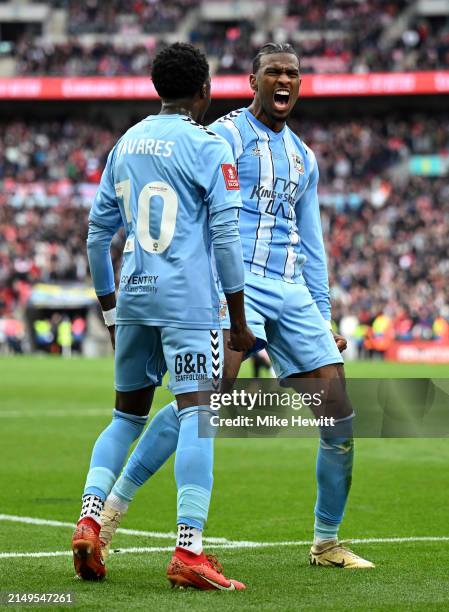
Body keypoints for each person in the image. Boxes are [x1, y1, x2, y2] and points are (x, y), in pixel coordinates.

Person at [100, 43, 374, 570]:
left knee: (339, 413)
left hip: (289, 288)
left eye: (292, 73)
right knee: (203, 403)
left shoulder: (304, 157)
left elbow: (311, 242)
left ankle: (327, 541)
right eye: (273, 72)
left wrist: (322, 316)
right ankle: (111, 512)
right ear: (252, 81)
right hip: (233, 286)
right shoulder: (222, 135)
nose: (284, 80)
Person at [71, 42, 254, 589]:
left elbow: (97, 235)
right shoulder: (208, 144)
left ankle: (90, 520)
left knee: (125, 416)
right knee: (199, 414)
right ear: (205, 91)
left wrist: (109, 306)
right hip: (189, 303)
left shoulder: (125, 143)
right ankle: (189, 550)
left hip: (134, 296)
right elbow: (224, 236)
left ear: (158, 88)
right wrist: (238, 317)